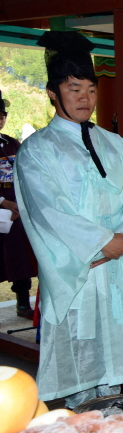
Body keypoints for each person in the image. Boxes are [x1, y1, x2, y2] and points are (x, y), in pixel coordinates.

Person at [15, 30, 123, 406]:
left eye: (90, 90)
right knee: (80, 353)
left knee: (116, 352)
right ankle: (80, 425)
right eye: (73, 89)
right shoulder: (37, 150)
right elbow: (47, 209)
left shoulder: (115, 144)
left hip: (119, 264)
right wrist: (101, 242)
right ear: (53, 93)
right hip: (78, 268)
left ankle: (111, 421)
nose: (84, 99)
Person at [0, 90, 37, 318]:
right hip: (3, 208)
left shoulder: (11, 144)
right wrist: (3, 202)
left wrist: (18, 204)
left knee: (19, 257)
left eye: (2, 115)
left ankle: (23, 303)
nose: (0, 119)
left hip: (15, 212)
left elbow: (23, 174)